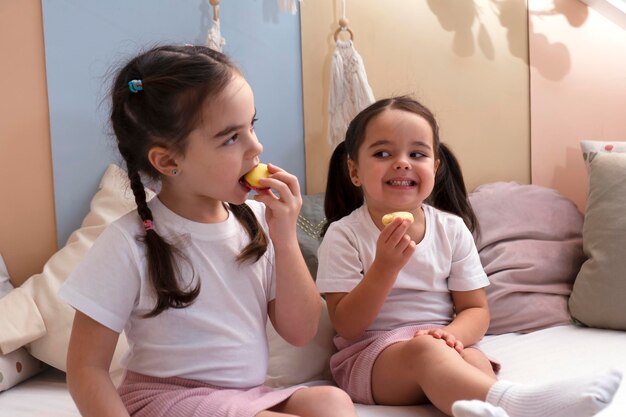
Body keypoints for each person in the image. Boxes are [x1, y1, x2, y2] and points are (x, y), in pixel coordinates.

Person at [59, 44, 357, 417]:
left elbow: (301, 331)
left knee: (333, 402)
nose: (256, 147)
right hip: (167, 400)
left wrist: (284, 237)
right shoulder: (128, 242)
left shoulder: (256, 222)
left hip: (244, 397)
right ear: (168, 161)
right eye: (231, 137)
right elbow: (86, 368)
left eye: (252, 125)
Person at [316, 95, 622, 417]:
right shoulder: (344, 234)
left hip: (444, 343)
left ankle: (486, 410)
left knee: (476, 360)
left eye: (417, 153)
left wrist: (453, 335)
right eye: (382, 153)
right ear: (354, 171)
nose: (402, 162)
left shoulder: (452, 229)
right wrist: (385, 268)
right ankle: (525, 404)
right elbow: (347, 325)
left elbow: (475, 309)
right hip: (372, 360)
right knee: (425, 349)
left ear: (434, 167)